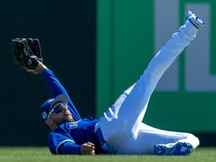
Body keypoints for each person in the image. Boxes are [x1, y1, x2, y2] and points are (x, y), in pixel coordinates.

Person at [14, 11, 204, 155]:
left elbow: (57, 87)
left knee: (190, 139)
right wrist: (79, 149)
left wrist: (42, 69)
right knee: (150, 75)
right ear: (48, 121)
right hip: (110, 128)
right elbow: (60, 148)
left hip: (124, 142)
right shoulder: (59, 132)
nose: (64, 108)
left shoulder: (75, 119)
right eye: (56, 109)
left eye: (62, 105)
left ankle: (169, 150)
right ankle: (188, 30)